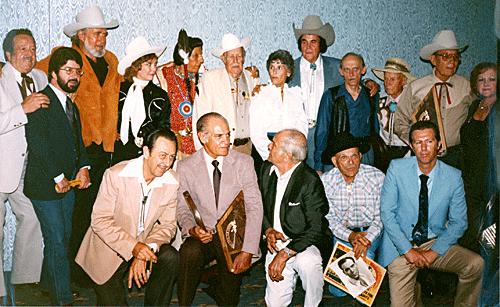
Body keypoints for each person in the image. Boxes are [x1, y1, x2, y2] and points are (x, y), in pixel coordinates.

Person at [35, 6, 122, 284]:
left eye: (104, 35)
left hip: (105, 150)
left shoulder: (111, 61)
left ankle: (91, 270)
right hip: (77, 150)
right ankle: (69, 274)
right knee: (75, 217)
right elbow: (37, 73)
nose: (101, 40)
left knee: (99, 213)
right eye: (96, 34)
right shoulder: (68, 59)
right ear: (81, 35)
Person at [379, 121, 484, 307]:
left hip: (434, 241)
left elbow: (459, 222)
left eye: (429, 141)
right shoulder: (396, 168)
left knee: (475, 265)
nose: (424, 148)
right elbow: (387, 214)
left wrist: (433, 252)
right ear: (411, 146)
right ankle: (414, 290)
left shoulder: (453, 176)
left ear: (439, 144)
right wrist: (408, 250)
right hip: (400, 244)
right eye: (418, 143)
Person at [76, 128, 180, 306]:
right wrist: (134, 247)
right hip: (109, 248)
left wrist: (144, 249)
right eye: (162, 155)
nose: (167, 163)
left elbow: (168, 226)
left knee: (171, 257)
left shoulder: (172, 180)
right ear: (146, 152)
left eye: (172, 157)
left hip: (144, 244)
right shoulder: (116, 175)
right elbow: (100, 221)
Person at [24, 47, 91, 306]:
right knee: (57, 240)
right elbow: (38, 143)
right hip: (45, 185)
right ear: (53, 74)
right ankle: (62, 298)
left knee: (61, 235)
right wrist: (58, 176)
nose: (74, 75)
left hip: (67, 184)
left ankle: (46, 284)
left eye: (77, 71)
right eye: (68, 71)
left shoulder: (70, 102)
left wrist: (84, 167)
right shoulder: (41, 100)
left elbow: (78, 143)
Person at [176, 112, 263, 306]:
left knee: (229, 301)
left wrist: (247, 251)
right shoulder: (185, 166)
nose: (226, 141)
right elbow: (182, 208)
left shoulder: (244, 163)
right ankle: (184, 303)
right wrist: (192, 229)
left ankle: (213, 281)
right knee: (189, 252)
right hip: (204, 235)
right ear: (202, 137)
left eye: (227, 135)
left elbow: (255, 208)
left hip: (233, 239)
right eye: (219, 136)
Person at [290, 15, 378, 168]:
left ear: (321, 44)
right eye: (304, 41)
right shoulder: (289, 69)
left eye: (313, 41)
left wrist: (368, 82)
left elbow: (353, 78)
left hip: (328, 137)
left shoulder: (336, 65)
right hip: (298, 136)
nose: (308, 47)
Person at [259, 129, 332, 307]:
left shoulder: (309, 181)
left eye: (274, 144)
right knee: (275, 304)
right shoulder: (266, 169)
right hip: (276, 243)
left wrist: (286, 253)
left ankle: (314, 303)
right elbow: (258, 207)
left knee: (309, 263)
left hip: (305, 243)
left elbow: (317, 228)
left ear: (287, 156)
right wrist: (267, 229)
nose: (269, 146)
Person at [0, 28, 46, 297]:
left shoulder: (39, 76)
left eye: (32, 48)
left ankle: (25, 281)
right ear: (8, 54)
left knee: (32, 218)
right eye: (22, 49)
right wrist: (23, 109)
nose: (29, 54)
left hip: (28, 167)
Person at [394, 30, 472, 169]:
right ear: (433, 59)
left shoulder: (467, 86)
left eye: (455, 57)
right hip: (423, 157)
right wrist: (417, 144)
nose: (452, 62)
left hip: (457, 157)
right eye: (445, 56)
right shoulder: (415, 87)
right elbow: (399, 122)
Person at [320, 131, 384, 299]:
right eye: (344, 158)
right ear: (334, 161)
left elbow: (381, 216)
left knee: (363, 288)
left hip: (369, 233)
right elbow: (329, 218)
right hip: (342, 235)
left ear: (360, 156)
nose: (351, 162)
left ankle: (372, 262)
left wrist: (366, 239)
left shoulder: (377, 177)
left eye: (354, 156)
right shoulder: (326, 181)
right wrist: (349, 236)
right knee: (337, 291)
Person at [192, 33, 260, 156]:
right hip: (220, 148)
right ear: (223, 59)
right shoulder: (210, 78)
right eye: (230, 56)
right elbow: (200, 116)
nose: (235, 60)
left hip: (248, 148)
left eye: (239, 56)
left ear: (244, 57)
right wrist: (201, 152)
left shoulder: (251, 77)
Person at [314, 53, 379, 173]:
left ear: (363, 70)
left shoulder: (370, 95)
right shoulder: (330, 97)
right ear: (341, 72)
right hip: (338, 158)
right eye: (347, 70)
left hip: (365, 157)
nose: (351, 74)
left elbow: (374, 128)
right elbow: (321, 134)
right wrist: (319, 166)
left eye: (356, 69)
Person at [112, 36, 170, 165]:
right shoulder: (119, 90)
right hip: (121, 151)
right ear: (136, 66)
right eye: (148, 65)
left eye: (155, 64)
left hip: (148, 154)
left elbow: (164, 127)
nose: (153, 69)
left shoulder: (159, 96)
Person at [459, 62, 497, 254]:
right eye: (481, 80)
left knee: (489, 236)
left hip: (491, 184)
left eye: (492, 79)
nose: (487, 84)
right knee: (470, 233)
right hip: (470, 181)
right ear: (475, 84)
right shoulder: (475, 105)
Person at [249, 50, 308, 163]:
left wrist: (295, 153)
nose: (274, 72)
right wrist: (272, 156)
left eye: (280, 68)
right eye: (272, 67)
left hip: (292, 150)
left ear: (288, 72)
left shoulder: (295, 95)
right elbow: (256, 133)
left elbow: (302, 127)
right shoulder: (261, 94)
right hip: (268, 149)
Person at [157, 29, 204, 161]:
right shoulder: (163, 77)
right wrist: (160, 67)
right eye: (196, 56)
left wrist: (252, 78)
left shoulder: (203, 78)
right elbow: (139, 74)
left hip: (197, 146)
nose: (202, 59)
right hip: (174, 148)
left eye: (201, 55)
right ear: (183, 58)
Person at [371, 57, 417, 172]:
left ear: (403, 81)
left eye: (393, 79)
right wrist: (367, 81)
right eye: (385, 79)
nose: (387, 84)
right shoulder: (379, 100)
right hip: (383, 154)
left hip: (406, 153)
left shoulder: (412, 103)